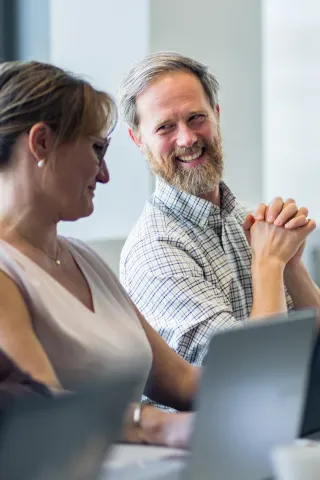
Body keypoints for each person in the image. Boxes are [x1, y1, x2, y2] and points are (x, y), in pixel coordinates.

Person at [0, 60, 195, 448]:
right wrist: (156, 425)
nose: (104, 174)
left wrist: (279, 385)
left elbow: (181, 381)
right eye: (96, 148)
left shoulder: (84, 259)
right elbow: (42, 408)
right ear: (41, 143)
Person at [118, 51, 319, 369]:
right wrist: (269, 263)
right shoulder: (154, 253)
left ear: (216, 115)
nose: (186, 138)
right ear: (138, 140)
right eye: (165, 127)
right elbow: (243, 373)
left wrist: (291, 265)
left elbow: (312, 341)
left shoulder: (246, 219)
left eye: (196, 118)